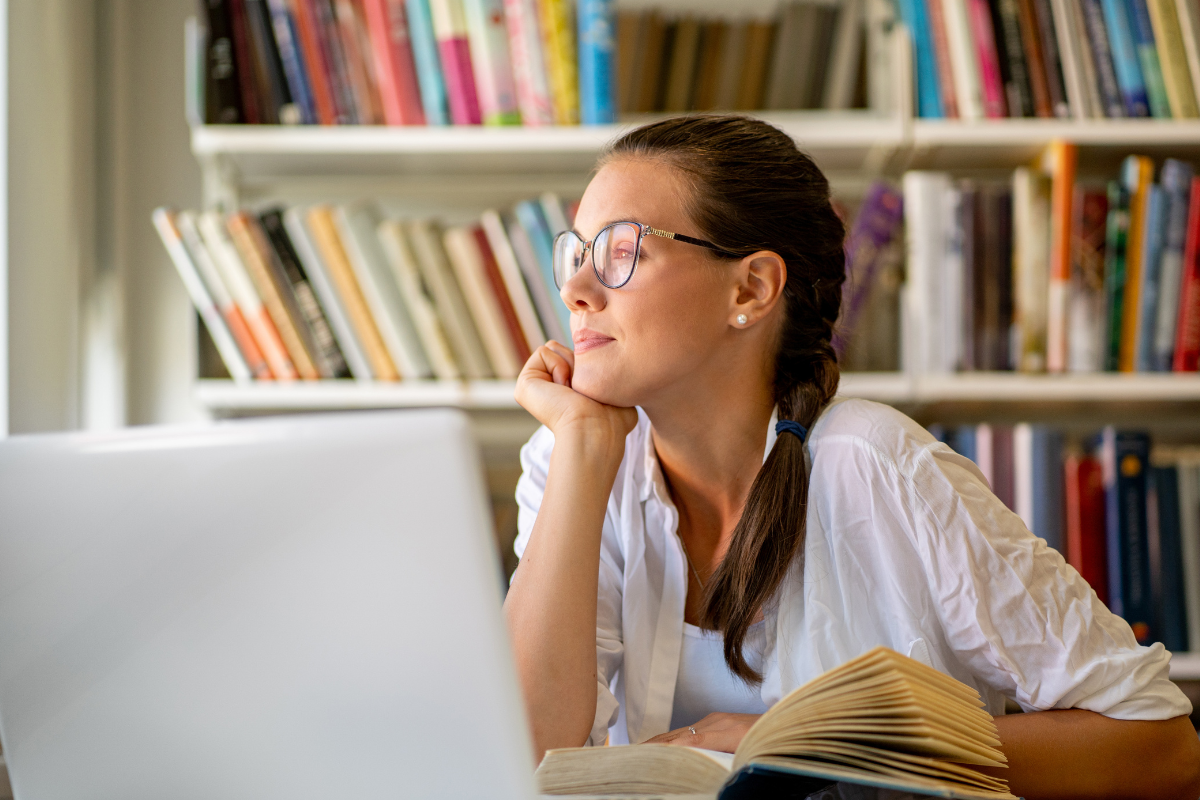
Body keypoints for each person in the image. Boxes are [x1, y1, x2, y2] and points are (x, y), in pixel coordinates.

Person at [502, 115, 1200, 799]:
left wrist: (805, 751)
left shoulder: (877, 463)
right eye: (578, 252)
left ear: (750, 289)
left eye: (621, 251)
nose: (575, 291)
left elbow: (1159, 748)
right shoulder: (572, 460)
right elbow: (518, 755)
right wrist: (584, 452)